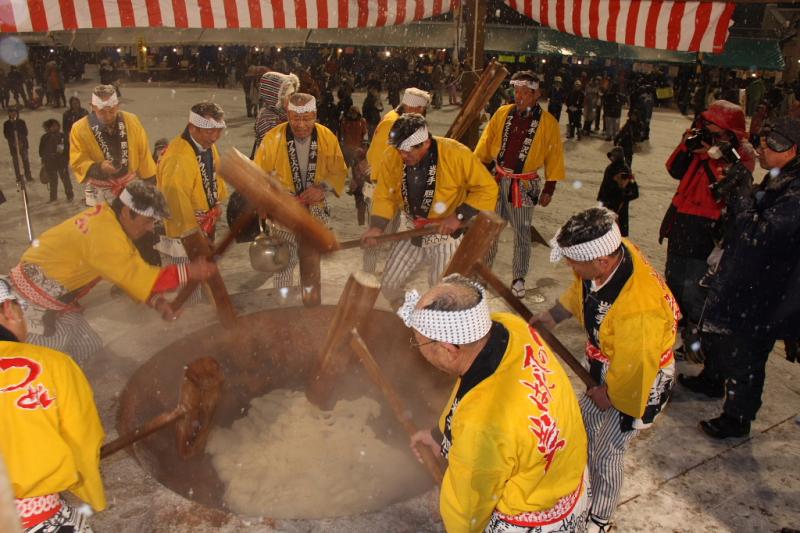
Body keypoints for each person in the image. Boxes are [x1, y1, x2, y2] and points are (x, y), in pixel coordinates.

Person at [403, 274, 589, 532]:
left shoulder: (482, 425)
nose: (419, 349)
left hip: (535, 516)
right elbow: (467, 389)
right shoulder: (510, 327)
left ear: (448, 348)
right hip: (566, 476)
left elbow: (466, 511)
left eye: (419, 342)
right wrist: (440, 435)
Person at [534, 207, 680, 532]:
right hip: (607, 362)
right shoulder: (611, 254)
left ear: (601, 261)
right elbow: (582, 290)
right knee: (580, 428)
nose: (571, 267)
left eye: (574, 262)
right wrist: (552, 317)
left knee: (607, 452)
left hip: (640, 379)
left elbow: (635, 367)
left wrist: (611, 395)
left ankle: (600, 518)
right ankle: (577, 489)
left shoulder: (639, 307)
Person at [6, 181, 218, 364]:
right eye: (147, 221)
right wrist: (190, 271)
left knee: (92, 352)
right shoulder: (107, 236)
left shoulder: (107, 219)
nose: (151, 228)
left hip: (56, 300)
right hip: (30, 306)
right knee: (47, 366)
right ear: (127, 212)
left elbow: (128, 273)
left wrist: (157, 302)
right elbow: (144, 278)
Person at [687, 117, 800, 438]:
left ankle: (738, 417)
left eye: (768, 145)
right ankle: (712, 378)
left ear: (790, 150)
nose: (760, 150)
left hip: (768, 290)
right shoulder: (779, 178)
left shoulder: (795, 191)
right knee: (722, 335)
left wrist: (741, 197)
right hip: (747, 278)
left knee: (747, 353)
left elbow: (760, 235)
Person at [0, 279, 106, 532]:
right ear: (8, 310)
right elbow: (83, 438)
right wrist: (89, 491)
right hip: (31, 517)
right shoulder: (54, 364)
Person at [361, 113, 497, 304]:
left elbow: (487, 188)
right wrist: (377, 226)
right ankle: (405, 316)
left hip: (444, 233)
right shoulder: (393, 156)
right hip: (411, 229)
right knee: (389, 284)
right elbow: (385, 194)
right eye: (399, 150)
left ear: (425, 143)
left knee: (443, 291)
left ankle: (438, 328)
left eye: (408, 151)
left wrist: (458, 216)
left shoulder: (455, 153)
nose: (402, 155)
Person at [660, 100, 755, 361]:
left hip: (709, 227)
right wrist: (687, 143)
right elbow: (673, 169)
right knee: (675, 283)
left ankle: (696, 345)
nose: (707, 125)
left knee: (695, 289)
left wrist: (713, 153)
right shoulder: (699, 139)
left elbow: (732, 187)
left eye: (712, 122)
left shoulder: (740, 152)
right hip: (682, 220)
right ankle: (678, 337)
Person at [475, 71, 565, 301]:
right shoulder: (502, 113)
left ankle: (519, 278)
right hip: (498, 179)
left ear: (537, 94)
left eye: (526, 92)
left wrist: (549, 188)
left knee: (522, 233)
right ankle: (482, 277)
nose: (520, 96)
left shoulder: (547, 123)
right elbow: (485, 143)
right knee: (490, 231)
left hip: (525, 183)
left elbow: (554, 157)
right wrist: (477, 173)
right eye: (517, 91)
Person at [254, 92, 347, 290]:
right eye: (296, 118)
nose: (301, 125)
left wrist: (323, 188)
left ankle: (311, 303)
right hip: (284, 210)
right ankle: (283, 305)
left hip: (315, 212)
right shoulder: (273, 138)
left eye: (306, 119)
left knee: (311, 263)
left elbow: (339, 170)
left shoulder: (326, 136)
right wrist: (265, 201)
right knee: (283, 262)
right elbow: (258, 175)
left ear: (314, 115)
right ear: (288, 115)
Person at [155, 102, 228, 303]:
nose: (214, 137)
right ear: (192, 127)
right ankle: (189, 325)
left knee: (203, 279)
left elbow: (215, 177)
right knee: (189, 286)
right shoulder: (178, 157)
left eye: (218, 131)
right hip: (184, 235)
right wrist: (194, 238)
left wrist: (216, 202)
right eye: (209, 131)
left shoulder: (206, 145)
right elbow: (175, 203)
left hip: (203, 226)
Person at [362, 87, 431, 273]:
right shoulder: (393, 123)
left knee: (390, 233)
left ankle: (386, 269)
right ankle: (367, 271)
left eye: (421, 111)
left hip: (391, 185)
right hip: (381, 186)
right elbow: (380, 157)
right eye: (417, 110)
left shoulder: (396, 119)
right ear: (408, 105)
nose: (419, 114)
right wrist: (380, 185)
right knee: (378, 232)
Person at [69, 84, 157, 207]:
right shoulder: (79, 129)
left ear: (118, 105)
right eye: (102, 112)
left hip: (129, 183)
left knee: (129, 223)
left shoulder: (131, 120)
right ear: (92, 107)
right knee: (103, 224)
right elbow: (78, 161)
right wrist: (99, 167)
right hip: (99, 188)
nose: (108, 116)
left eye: (111, 111)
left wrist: (150, 181)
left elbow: (143, 154)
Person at [251, 71, 299, 158]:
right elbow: (276, 151)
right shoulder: (267, 118)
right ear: (276, 96)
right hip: (272, 169)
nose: (292, 98)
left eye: (293, 94)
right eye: (289, 95)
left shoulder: (282, 113)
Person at [597, 146, 637, 236]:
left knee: (614, 231)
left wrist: (622, 185)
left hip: (617, 205)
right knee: (607, 230)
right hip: (609, 203)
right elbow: (605, 185)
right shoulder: (610, 168)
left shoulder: (624, 170)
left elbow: (633, 192)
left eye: (613, 156)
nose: (611, 158)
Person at [38, 119, 73, 203]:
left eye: (56, 125)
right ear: (48, 128)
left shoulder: (62, 136)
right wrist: (44, 161)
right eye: (52, 126)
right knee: (53, 181)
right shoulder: (45, 137)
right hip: (50, 163)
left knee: (65, 180)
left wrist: (65, 159)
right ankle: (53, 197)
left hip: (61, 162)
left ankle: (70, 196)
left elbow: (66, 149)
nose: (55, 127)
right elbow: (41, 150)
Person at [4, 107, 33, 183]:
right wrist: (13, 141)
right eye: (11, 112)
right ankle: (18, 177)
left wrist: (21, 140)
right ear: (9, 114)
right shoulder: (6, 124)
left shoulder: (21, 122)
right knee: (16, 162)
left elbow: (25, 132)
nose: (13, 114)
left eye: (14, 112)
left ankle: (28, 176)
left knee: (25, 161)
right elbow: (6, 134)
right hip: (13, 146)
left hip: (23, 145)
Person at [62, 96, 88, 163]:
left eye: (77, 103)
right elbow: (64, 127)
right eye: (73, 103)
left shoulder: (84, 112)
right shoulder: (67, 114)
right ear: (71, 104)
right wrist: (66, 136)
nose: (75, 105)